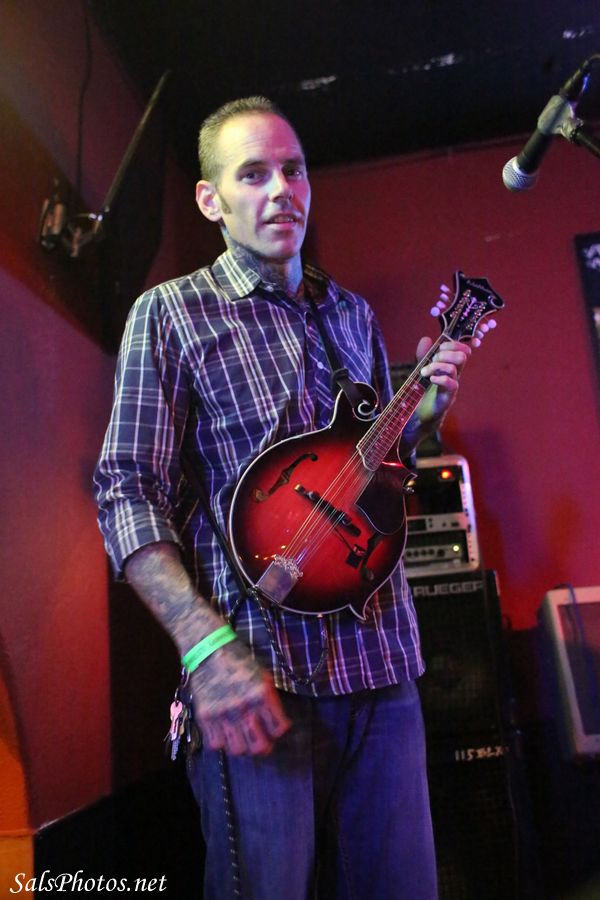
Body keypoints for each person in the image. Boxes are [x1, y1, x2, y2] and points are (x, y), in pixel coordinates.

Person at [94, 96, 483, 900]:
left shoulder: (351, 315)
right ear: (211, 200)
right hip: (258, 674)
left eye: (294, 169)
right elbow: (125, 490)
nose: (281, 190)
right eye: (253, 174)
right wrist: (205, 652)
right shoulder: (170, 314)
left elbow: (374, 476)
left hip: (382, 665)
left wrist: (423, 417)